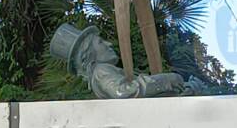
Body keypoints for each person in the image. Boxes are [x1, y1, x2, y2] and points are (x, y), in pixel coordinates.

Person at [50, 23, 191, 98]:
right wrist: (168, 80)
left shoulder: (102, 72)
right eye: (100, 42)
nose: (108, 44)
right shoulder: (101, 71)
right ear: (89, 54)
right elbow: (123, 92)